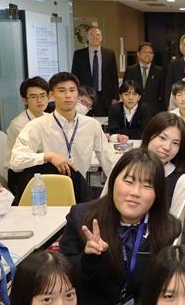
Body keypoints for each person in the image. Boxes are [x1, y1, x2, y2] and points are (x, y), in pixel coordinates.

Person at [59, 147, 179, 305]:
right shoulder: (82, 218)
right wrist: (88, 260)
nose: (135, 192)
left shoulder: (168, 228)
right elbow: (63, 278)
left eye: (147, 185)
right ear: (113, 180)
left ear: (158, 194)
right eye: (129, 181)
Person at [10, 72, 117, 204]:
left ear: (78, 94)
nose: (68, 95)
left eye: (72, 90)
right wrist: (48, 156)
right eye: (62, 91)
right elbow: (15, 161)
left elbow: (109, 162)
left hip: (79, 191)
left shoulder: (91, 125)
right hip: (48, 193)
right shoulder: (37, 125)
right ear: (51, 95)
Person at [142, 112, 185, 222]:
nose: (167, 147)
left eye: (175, 143)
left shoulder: (181, 182)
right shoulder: (125, 166)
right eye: (162, 138)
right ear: (149, 135)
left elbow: (174, 232)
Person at [71, 26, 119, 116]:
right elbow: (74, 77)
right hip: (85, 97)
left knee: (104, 122)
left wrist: (115, 97)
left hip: (105, 96)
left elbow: (114, 77)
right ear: (87, 37)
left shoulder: (109, 54)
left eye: (97, 35)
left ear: (101, 37)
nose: (95, 37)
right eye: (91, 35)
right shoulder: (79, 54)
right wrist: (76, 95)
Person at [6, 76, 49, 157]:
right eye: (33, 97)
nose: (39, 100)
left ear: (48, 97)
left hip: (41, 161)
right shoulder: (18, 124)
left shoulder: (49, 118)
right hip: (21, 166)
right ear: (25, 100)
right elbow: (37, 150)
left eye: (42, 95)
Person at [124, 41, 165, 115]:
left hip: (154, 111)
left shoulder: (160, 71)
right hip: (134, 110)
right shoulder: (130, 70)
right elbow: (125, 90)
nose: (147, 54)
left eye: (150, 53)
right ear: (138, 54)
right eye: (144, 52)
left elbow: (163, 93)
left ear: (153, 55)